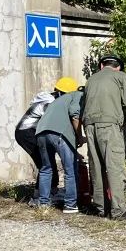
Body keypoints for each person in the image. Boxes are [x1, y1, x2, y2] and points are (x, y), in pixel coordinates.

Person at [81, 54, 126, 221]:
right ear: (118, 67)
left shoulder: (91, 80)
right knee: (114, 166)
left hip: (89, 126)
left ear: (101, 66)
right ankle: (119, 210)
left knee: (96, 165)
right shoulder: (121, 77)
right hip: (109, 125)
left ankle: (101, 207)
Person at [34, 77, 83, 213]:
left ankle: (43, 202)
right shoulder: (78, 95)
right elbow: (75, 116)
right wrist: (80, 137)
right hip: (59, 134)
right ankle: (70, 205)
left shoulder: (57, 101)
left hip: (41, 133)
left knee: (46, 168)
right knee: (70, 170)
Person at [14, 86, 58, 194]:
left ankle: (46, 192)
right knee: (45, 162)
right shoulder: (50, 103)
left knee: (46, 161)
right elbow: (52, 122)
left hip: (26, 131)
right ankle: (41, 194)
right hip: (27, 132)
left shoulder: (47, 99)